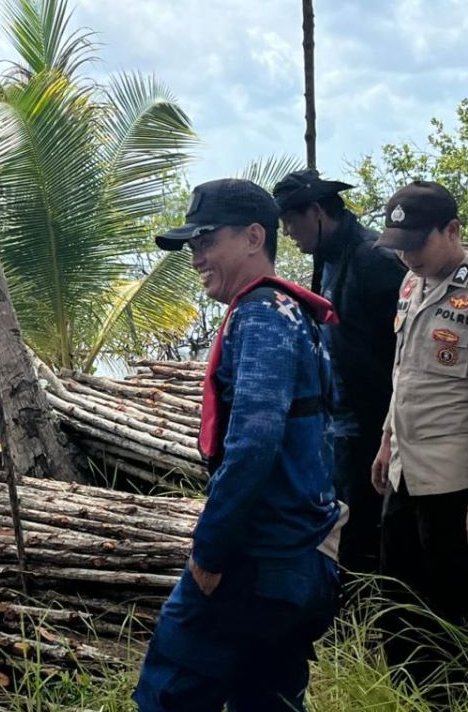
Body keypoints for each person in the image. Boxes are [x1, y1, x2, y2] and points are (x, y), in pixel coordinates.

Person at [134, 178, 344, 712]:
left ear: (254, 237)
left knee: (169, 695)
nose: (197, 256)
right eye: (193, 246)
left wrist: (210, 551)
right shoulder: (296, 314)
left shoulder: (262, 316)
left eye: (207, 240)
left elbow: (254, 443)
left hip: (260, 559)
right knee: (267, 698)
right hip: (299, 555)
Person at [371, 181, 468, 704]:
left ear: (453, 231)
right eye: (400, 245)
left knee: (457, 611)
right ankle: (410, 697)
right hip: (405, 473)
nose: (408, 255)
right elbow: (405, 375)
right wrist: (386, 441)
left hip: (457, 481)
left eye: (417, 243)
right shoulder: (410, 287)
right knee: (401, 604)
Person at [273, 169, 406, 577]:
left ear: (316, 211)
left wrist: (388, 428)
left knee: (364, 526)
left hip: (371, 421)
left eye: (291, 222)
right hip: (336, 421)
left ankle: (366, 611)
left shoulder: (374, 258)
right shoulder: (328, 257)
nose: (289, 233)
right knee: (340, 520)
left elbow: (404, 348)